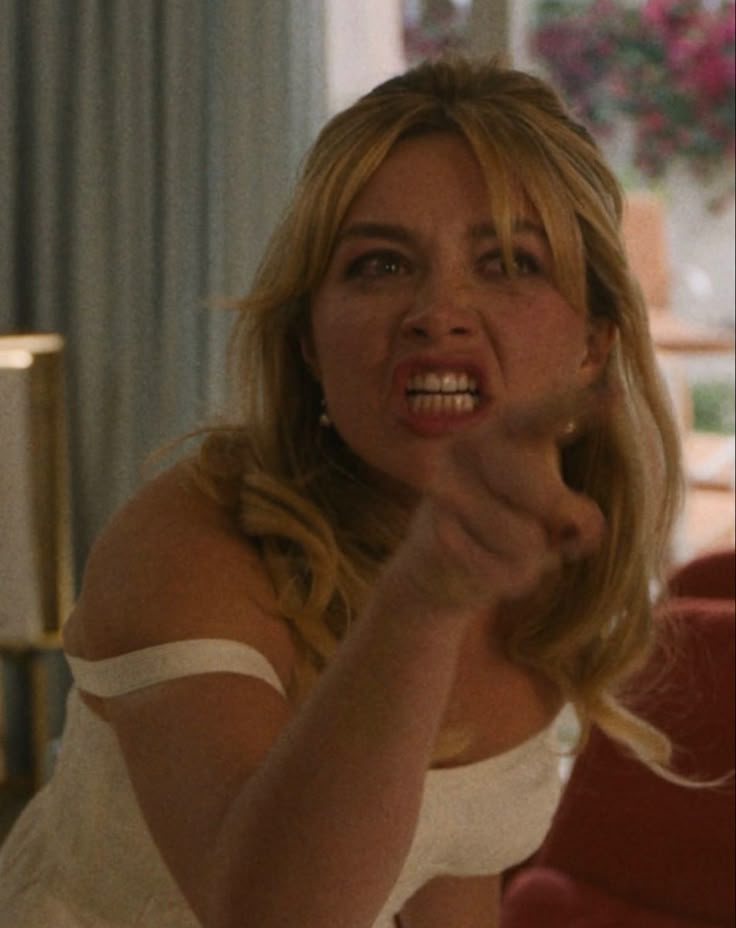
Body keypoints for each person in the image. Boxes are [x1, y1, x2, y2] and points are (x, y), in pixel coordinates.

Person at [0, 56, 683, 928]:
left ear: (593, 345)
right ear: (310, 344)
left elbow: (449, 871)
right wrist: (425, 599)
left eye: (508, 260)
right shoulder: (190, 542)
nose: (439, 311)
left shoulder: (540, 575)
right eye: (379, 266)